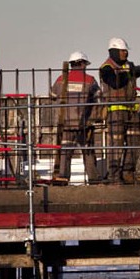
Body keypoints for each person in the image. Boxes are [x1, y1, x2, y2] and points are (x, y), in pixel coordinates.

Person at [51, 51, 102, 183]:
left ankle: (63, 178)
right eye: (85, 63)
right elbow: (99, 98)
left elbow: (52, 95)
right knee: (88, 153)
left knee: (65, 154)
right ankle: (93, 180)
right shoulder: (90, 80)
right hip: (84, 124)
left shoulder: (60, 79)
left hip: (66, 124)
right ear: (81, 63)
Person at [99, 38, 140, 184]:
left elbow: (135, 73)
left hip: (131, 111)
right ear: (114, 51)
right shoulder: (106, 68)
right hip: (115, 112)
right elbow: (115, 83)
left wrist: (137, 71)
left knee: (134, 142)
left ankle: (128, 173)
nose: (126, 53)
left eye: (126, 51)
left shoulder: (129, 65)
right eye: (123, 51)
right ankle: (114, 176)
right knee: (116, 146)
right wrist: (131, 73)